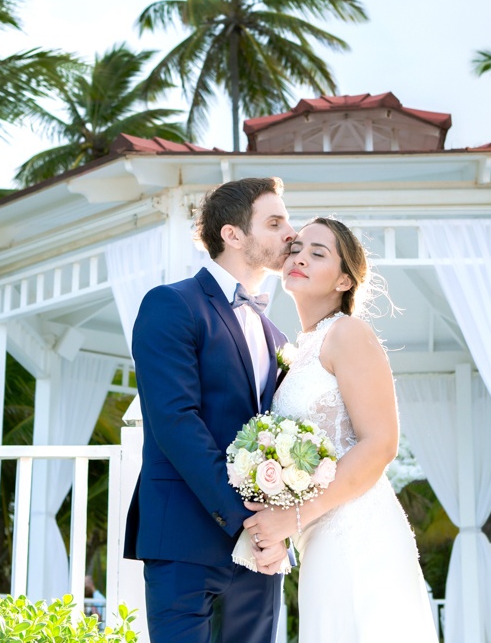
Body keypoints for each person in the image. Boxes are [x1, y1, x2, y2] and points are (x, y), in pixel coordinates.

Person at [242, 217, 439, 642]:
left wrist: (293, 517)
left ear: (345, 280)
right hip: (318, 536)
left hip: (358, 532)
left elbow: (382, 442)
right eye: (296, 249)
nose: (300, 258)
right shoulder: (299, 349)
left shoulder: (348, 333)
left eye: (318, 253)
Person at [123, 177, 296, 643]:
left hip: (261, 552)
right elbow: (176, 422)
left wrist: (273, 528)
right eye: (275, 222)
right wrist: (249, 520)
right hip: (185, 538)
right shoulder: (172, 304)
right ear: (232, 234)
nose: (290, 234)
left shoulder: (277, 336)